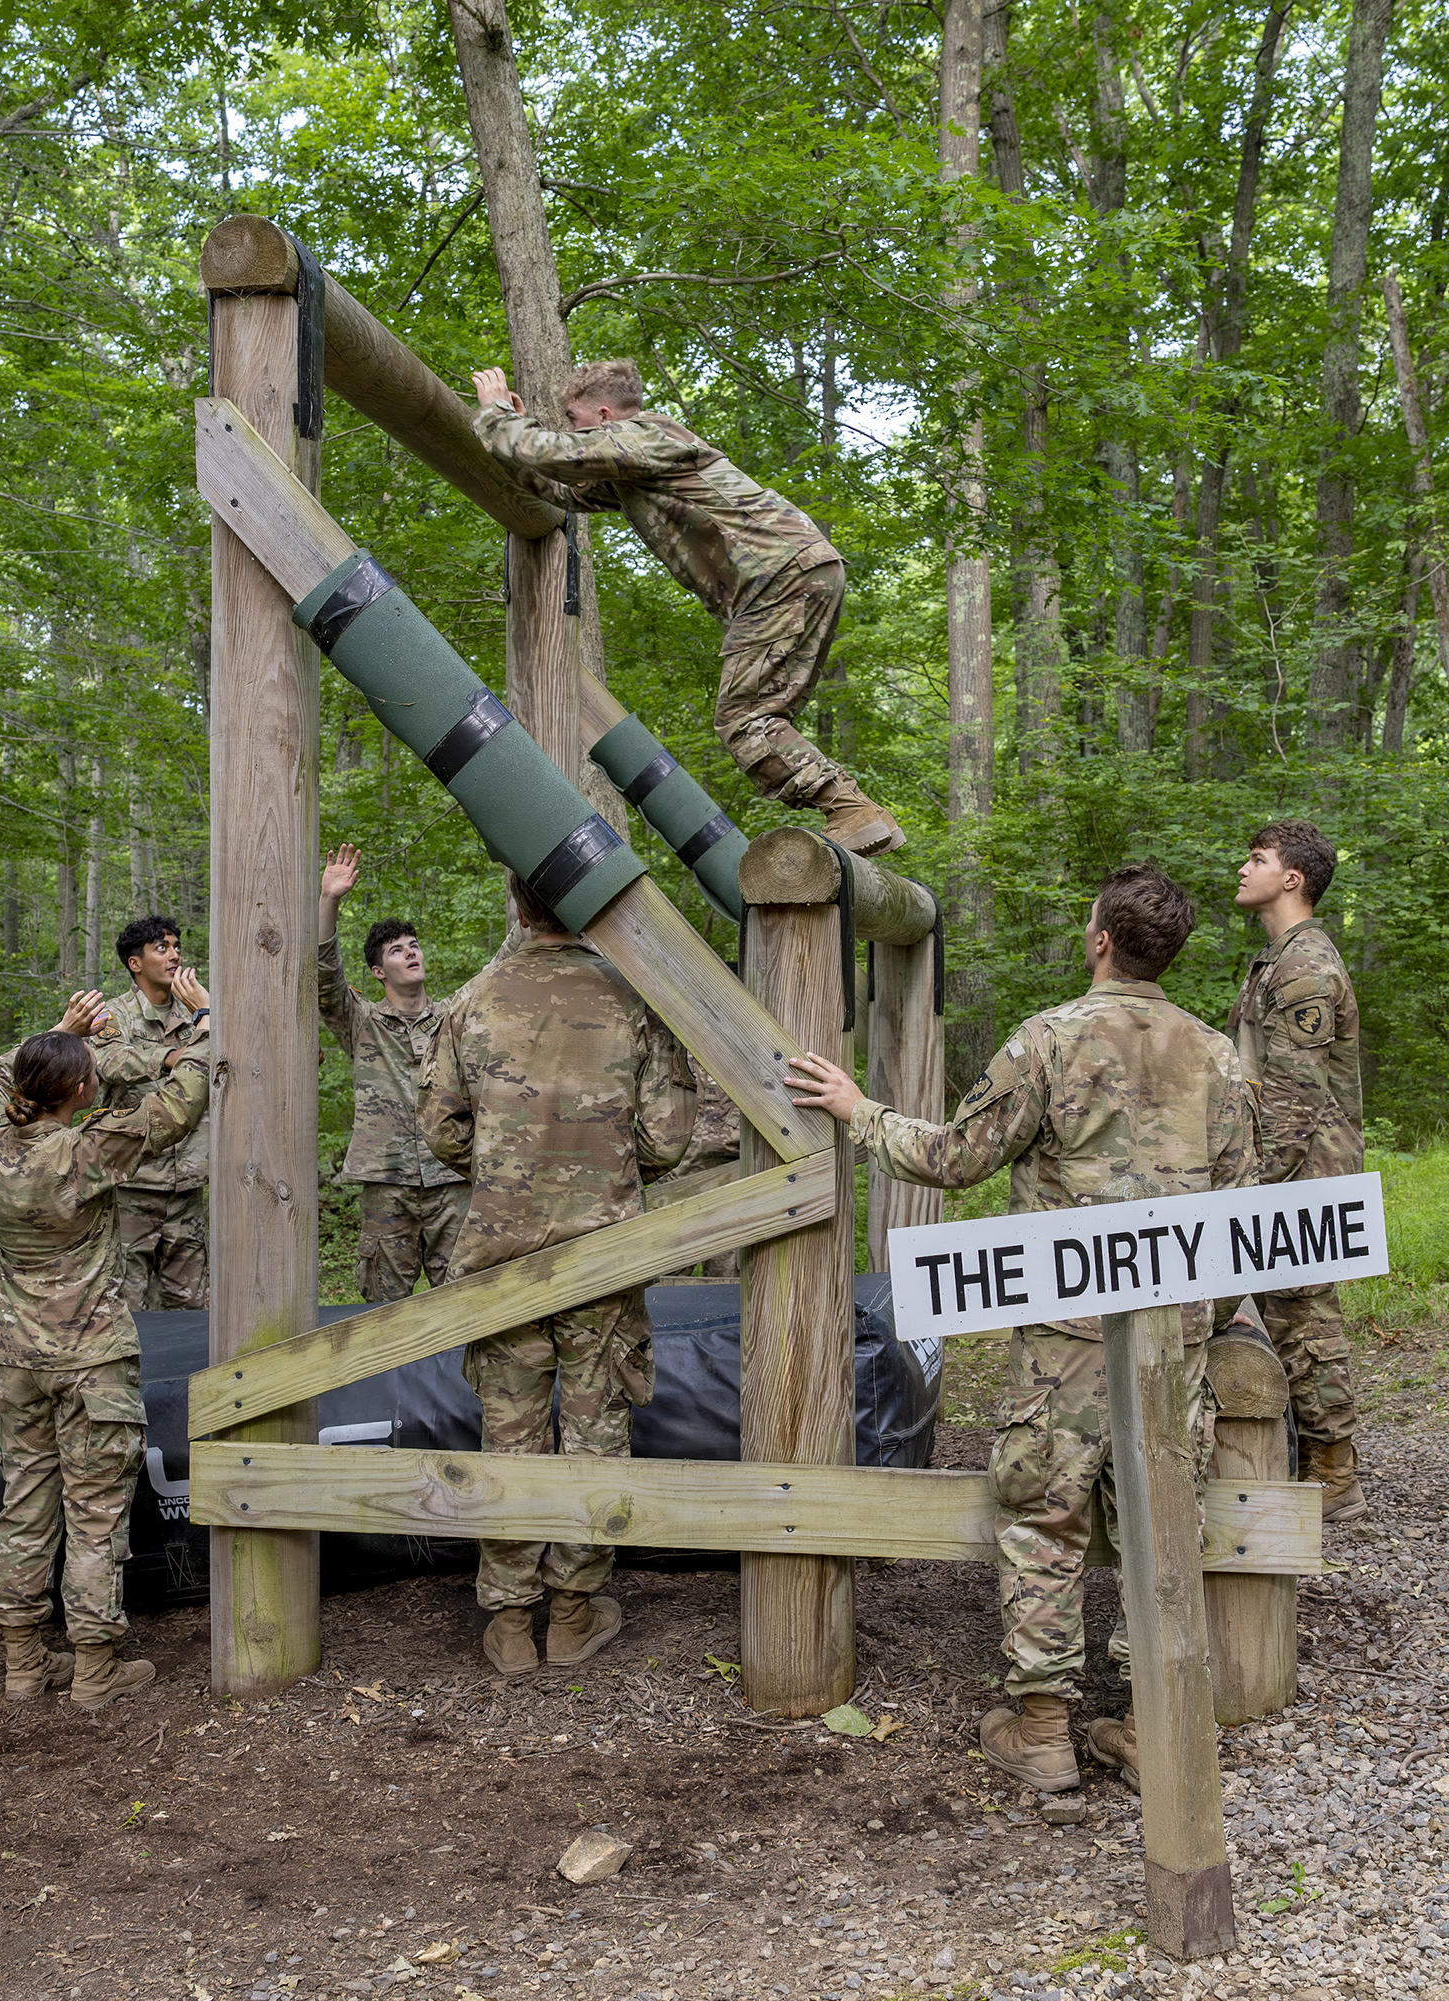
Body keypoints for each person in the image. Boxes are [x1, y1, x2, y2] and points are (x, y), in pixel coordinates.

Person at [786, 865, 1252, 1793]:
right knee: (1161, 1515)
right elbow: (1240, 1208)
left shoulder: (1049, 1041)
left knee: (1046, 1515)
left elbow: (956, 1156)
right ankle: (1147, 1718)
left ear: (1101, 940)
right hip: (1177, 1330)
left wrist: (857, 1110)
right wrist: (1210, 1317)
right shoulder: (1219, 1055)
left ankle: (1043, 1728)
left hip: (1068, 1333)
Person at [419, 874, 695, 1677]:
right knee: (595, 1429)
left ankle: (510, 1621)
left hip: (500, 1256)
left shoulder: (471, 1000)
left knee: (509, 1430)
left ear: (515, 903)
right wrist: (594, 1162)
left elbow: (439, 1129)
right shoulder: (631, 998)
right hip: (601, 1254)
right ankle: (572, 1612)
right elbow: (669, 1138)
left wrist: (513, 1166)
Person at [470, 358, 904, 857]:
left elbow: (555, 453)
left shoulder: (644, 434)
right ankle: (863, 818)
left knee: (743, 718)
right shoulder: (636, 465)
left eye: (573, 419)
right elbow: (564, 489)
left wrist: (497, 414)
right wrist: (511, 440)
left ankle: (850, 809)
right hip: (795, 570)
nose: (571, 430)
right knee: (761, 714)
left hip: (779, 575)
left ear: (605, 415)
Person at [0, 975, 214, 1709]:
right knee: (95, 1515)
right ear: (77, 1090)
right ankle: (95, 1667)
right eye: (88, 1070)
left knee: (25, 1507)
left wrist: (56, 1028)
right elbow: (181, 1103)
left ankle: (21, 1661)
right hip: (91, 1358)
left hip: (15, 1360)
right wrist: (204, 1021)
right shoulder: (84, 1149)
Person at [1226, 818, 1369, 1519]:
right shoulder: (1278, 959)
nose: (1242, 868)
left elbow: (1294, 1094)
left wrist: (1254, 1185)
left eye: (1257, 859)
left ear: (1293, 878)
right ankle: (1315, 1455)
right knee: (1291, 1316)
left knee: (1305, 1322)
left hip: (1302, 1173)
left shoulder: (1306, 964)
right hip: (1284, 1169)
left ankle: (1334, 1470)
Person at [317, 844, 469, 1301]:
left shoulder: (455, 1017)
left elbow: (503, 964)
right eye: (397, 951)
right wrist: (329, 900)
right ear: (378, 971)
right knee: (384, 1310)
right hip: (387, 1185)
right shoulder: (362, 1023)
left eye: (414, 946)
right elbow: (324, 976)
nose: (410, 953)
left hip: (453, 1179)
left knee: (468, 1301)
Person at [93, 914, 212, 1311]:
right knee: (127, 1304)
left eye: (177, 947)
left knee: (192, 1305)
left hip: (189, 1187)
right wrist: (168, 1057)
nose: (175, 956)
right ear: (135, 963)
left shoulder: (198, 1012)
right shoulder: (114, 1015)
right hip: (134, 1185)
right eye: (162, 948)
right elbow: (109, 1061)